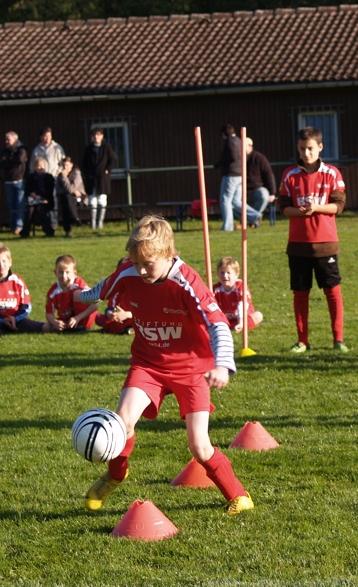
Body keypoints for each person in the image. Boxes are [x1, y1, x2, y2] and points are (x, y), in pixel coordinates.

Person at [72, 215, 253, 515]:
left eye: (148, 264)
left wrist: (223, 364)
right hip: (148, 364)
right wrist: (77, 294)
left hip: (192, 369)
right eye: (136, 262)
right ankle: (115, 475)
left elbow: (218, 323)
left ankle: (238, 495)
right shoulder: (129, 272)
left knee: (199, 446)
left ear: (168, 254)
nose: (141, 270)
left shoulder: (187, 282)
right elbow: (101, 289)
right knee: (122, 423)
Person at [277, 126, 347, 353]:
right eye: (301, 149)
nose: (306, 153)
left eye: (310, 148)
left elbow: (338, 206)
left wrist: (316, 207)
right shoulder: (289, 174)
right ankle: (302, 340)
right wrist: (302, 211)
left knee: (332, 291)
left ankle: (338, 340)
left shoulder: (332, 173)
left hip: (326, 244)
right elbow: (283, 208)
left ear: (320, 147)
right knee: (300, 293)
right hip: (298, 245)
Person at [0, 243, 45, 335]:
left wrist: (15, 318)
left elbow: (26, 306)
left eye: (4, 261)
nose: (1, 265)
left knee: (42, 327)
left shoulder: (18, 282)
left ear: (10, 262)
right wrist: (2, 319)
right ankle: (7, 330)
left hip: (16, 319)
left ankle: (13, 326)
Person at [214, 124, 259, 231]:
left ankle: (228, 226)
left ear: (224, 134)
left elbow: (232, 156)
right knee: (236, 201)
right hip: (240, 174)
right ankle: (255, 215)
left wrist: (221, 163)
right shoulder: (239, 141)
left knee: (225, 201)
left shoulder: (230, 142)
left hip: (231, 175)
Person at [43, 255, 99, 333]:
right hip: (68, 319)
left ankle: (81, 326)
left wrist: (77, 318)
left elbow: (95, 305)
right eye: (61, 272)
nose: (64, 276)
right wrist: (55, 322)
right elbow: (49, 314)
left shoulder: (79, 284)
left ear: (74, 273)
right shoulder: (53, 292)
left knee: (77, 294)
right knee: (46, 327)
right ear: (55, 272)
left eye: (67, 272)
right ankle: (71, 327)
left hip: (83, 318)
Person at [213, 257, 263, 332]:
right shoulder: (215, 288)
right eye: (222, 273)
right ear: (218, 274)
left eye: (228, 273)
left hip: (243, 317)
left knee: (258, 315)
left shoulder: (240, 286)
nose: (225, 276)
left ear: (236, 275)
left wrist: (240, 322)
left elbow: (242, 304)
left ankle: (239, 326)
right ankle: (227, 326)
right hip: (225, 319)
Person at [30, 127, 65, 230]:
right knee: (41, 201)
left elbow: (62, 163)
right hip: (41, 179)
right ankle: (45, 223)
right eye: (45, 136)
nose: (48, 138)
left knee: (52, 199)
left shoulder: (57, 148)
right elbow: (32, 165)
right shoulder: (36, 150)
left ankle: (53, 223)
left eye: (49, 135)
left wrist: (58, 172)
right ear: (41, 137)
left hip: (53, 178)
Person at [81, 128, 117, 230]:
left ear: (102, 136)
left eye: (98, 135)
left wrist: (107, 170)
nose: (96, 137)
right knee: (92, 200)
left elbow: (112, 160)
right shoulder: (89, 148)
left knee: (102, 200)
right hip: (91, 178)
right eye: (94, 135)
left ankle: (100, 223)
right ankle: (93, 224)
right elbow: (84, 163)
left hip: (103, 178)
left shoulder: (107, 147)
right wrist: (87, 173)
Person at [0, 131, 28, 235]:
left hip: (20, 180)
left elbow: (20, 159)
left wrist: (9, 160)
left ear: (15, 139)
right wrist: (12, 161)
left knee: (19, 204)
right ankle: (12, 225)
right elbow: (2, 163)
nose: (6, 141)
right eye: (6, 139)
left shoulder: (22, 149)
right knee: (11, 205)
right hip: (8, 182)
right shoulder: (4, 151)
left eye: (9, 139)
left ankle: (19, 226)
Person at [245, 137, 276, 224]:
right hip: (241, 189)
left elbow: (269, 174)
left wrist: (272, 193)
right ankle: (251, 220)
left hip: (256, 189)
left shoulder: (259, 158)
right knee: (232, 200)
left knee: (264, 196)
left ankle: (251, 220)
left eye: (244, 146)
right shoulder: (238, 158)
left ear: (250, 146)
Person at [21, 157, 55, 238]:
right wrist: (33, 195)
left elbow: (49, 191)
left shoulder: (49, 177)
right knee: (30, 210)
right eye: (38, 166)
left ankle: (49, 231)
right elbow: (27, 190)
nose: (40, 167)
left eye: (42, 165)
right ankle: (25, 233)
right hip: (33, 200)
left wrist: (39, 195)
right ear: (35, 167)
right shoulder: (30, 177)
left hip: (46, 200)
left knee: (40, 209)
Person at [55, 157, 86, 237]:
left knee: (66, 200)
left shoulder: (76, 173)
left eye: (67, 165)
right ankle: (76, 219)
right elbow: (59, 189)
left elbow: (71, 188)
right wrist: (64, 177)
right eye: (64, 166)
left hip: (79, 199)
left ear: (71, 165)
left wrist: (68, 188)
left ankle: (68, 230)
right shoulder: (61, 176)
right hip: (67, 198)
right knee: (66, 198)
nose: (65, 167)